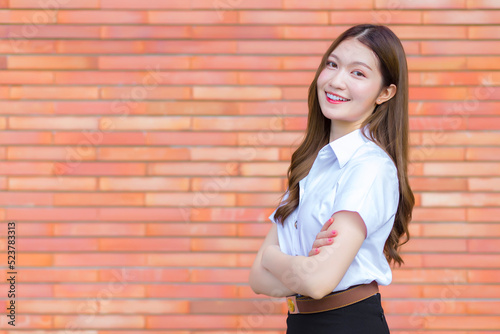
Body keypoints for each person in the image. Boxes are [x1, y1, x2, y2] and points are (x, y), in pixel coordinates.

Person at [249, 24, 415, 333]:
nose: (336, 81)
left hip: (346, 323)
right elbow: (257, 279)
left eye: (358, 73)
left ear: (385, 93)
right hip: (301, 323)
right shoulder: (313, 165)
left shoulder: (369, 167)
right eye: (332, 64)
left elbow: (316, 281)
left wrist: (272, 256)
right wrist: (302, 264)